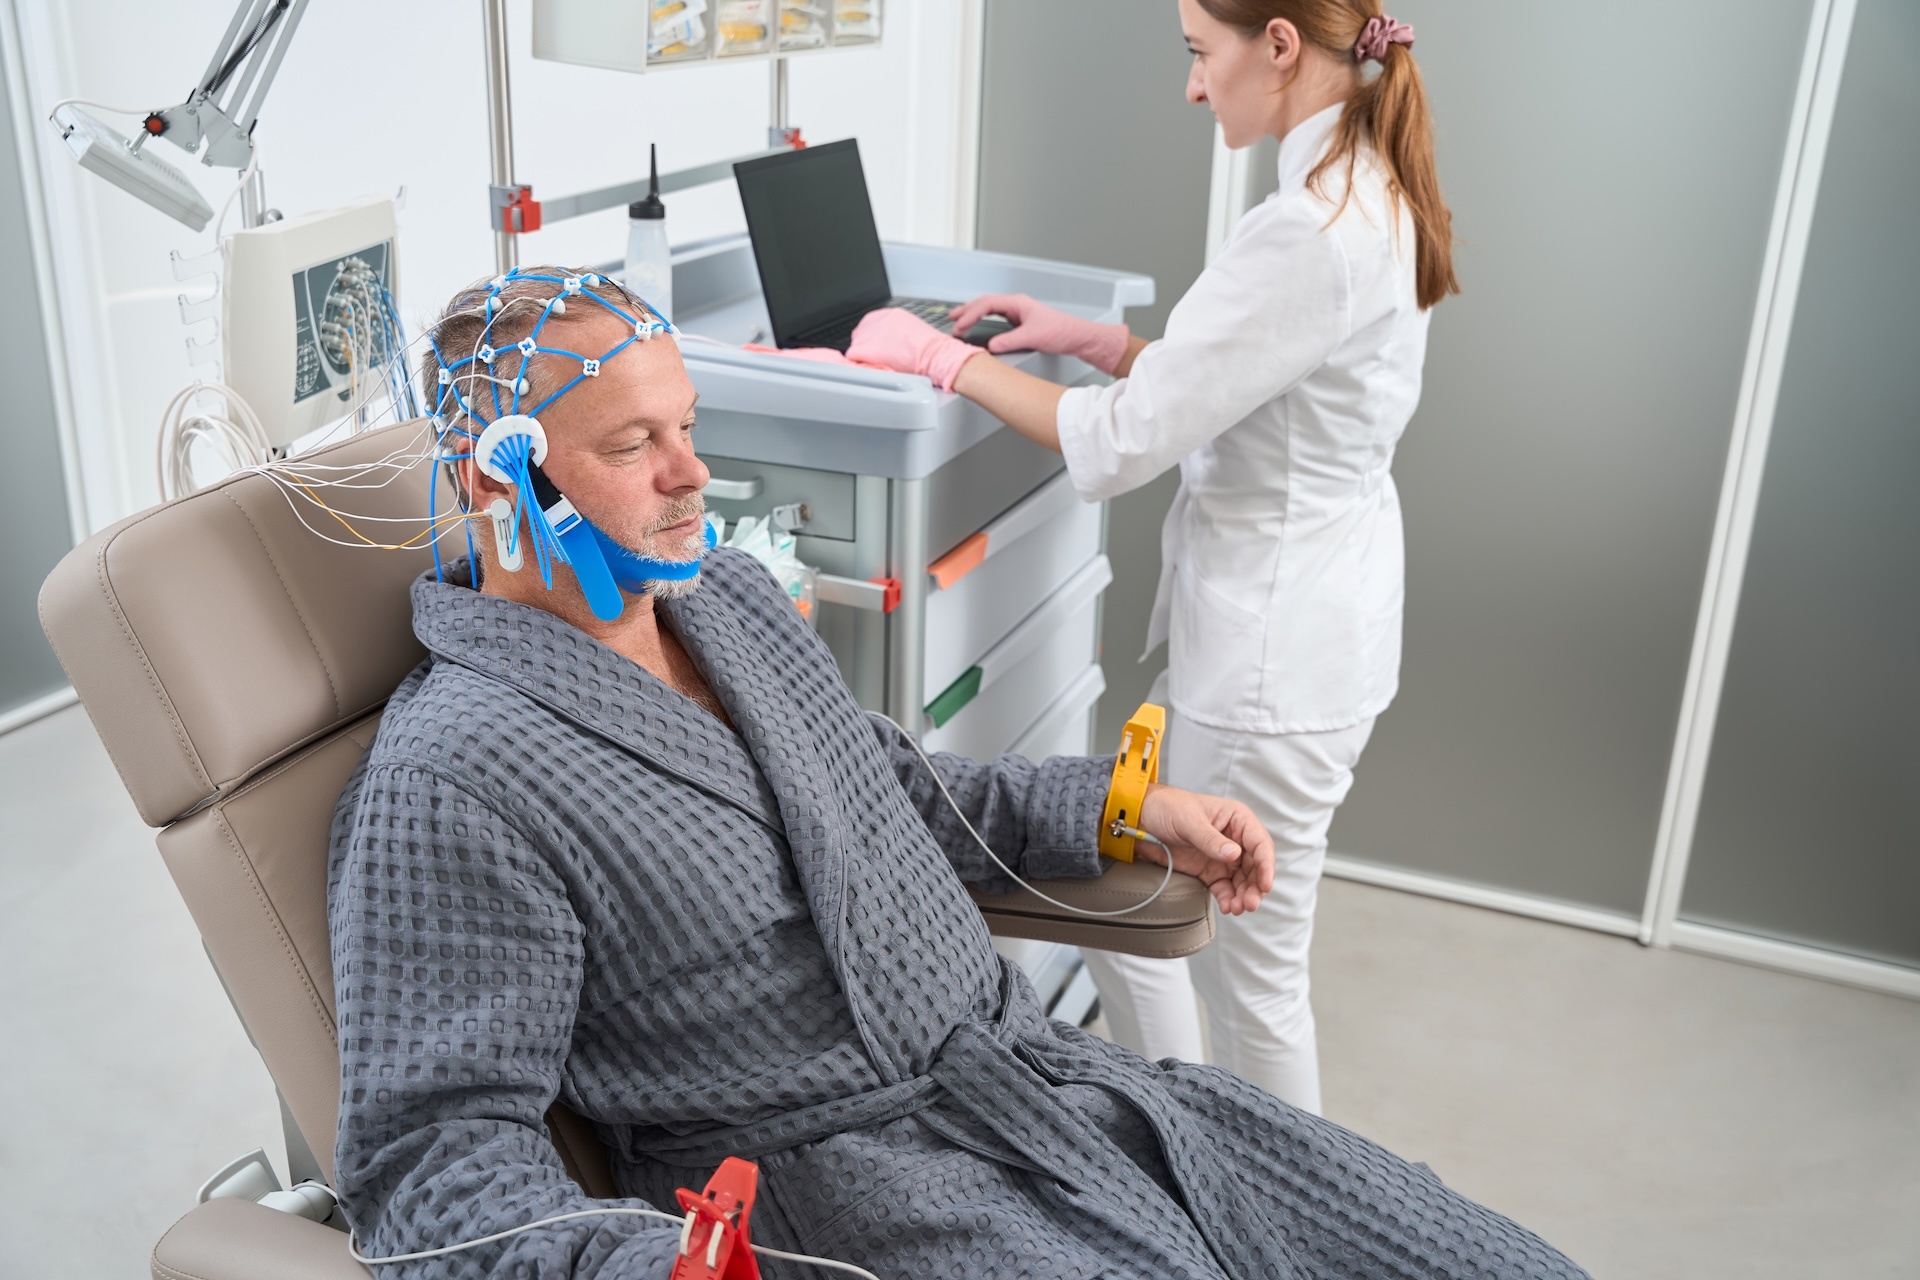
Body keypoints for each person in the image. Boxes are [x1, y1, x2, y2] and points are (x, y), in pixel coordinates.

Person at [326, 269, 1584, 1278]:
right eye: (634, 444)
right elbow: (429, 1158)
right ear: (506, 474)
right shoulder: (458, 773)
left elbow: (904, 798)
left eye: (690, 427)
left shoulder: (732, 604)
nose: (692, 473)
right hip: (866, 1194)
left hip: (1070, 1098)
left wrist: (1120, 802)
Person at [844, 0, 1453, 1114]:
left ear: (1278, 44)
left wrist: (936, 356)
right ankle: (1182, 1157)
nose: (1190, 86)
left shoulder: (1312, 226)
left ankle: (1275, 1208)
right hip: (1297, 624)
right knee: (1136, 917)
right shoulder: (1362, 186)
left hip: (1271, 654)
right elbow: (1254, 377)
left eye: (1198, 54)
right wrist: (1094, 340)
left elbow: (1121, 442)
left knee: (1237, 967)